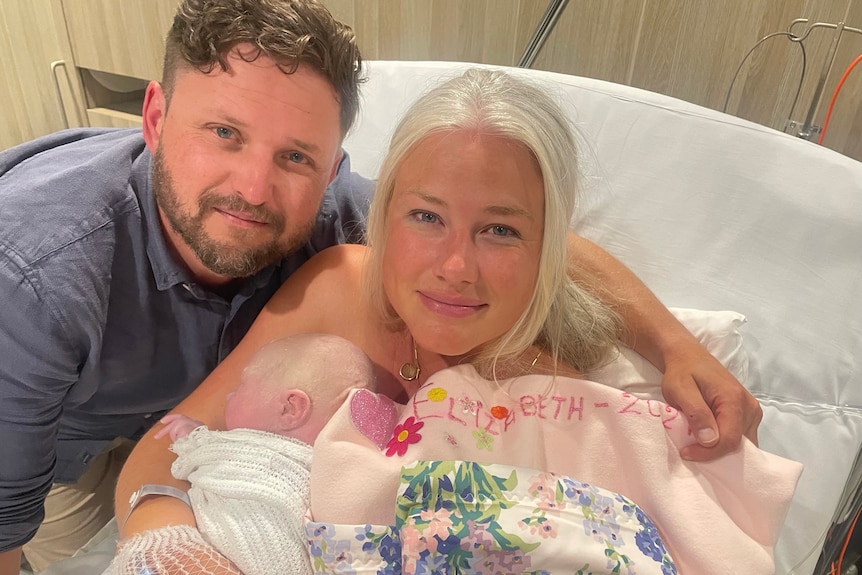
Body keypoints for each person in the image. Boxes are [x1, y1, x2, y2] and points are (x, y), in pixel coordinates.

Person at [0, 0, 758, 572]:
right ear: (156, 118)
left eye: (499, 231)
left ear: (334, 175)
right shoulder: (36, 277)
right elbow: (159, 456)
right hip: (57, 429)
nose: (454, 265)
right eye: (224, 132)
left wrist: (677, 344)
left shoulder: (552, 373)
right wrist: (169, 536)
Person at [113, 333, 374, 575]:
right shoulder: (330, 471)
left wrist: (193, 437)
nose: (229, 395)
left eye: (241, 387)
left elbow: (215, 458)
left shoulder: (258, 454)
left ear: (289, 408)